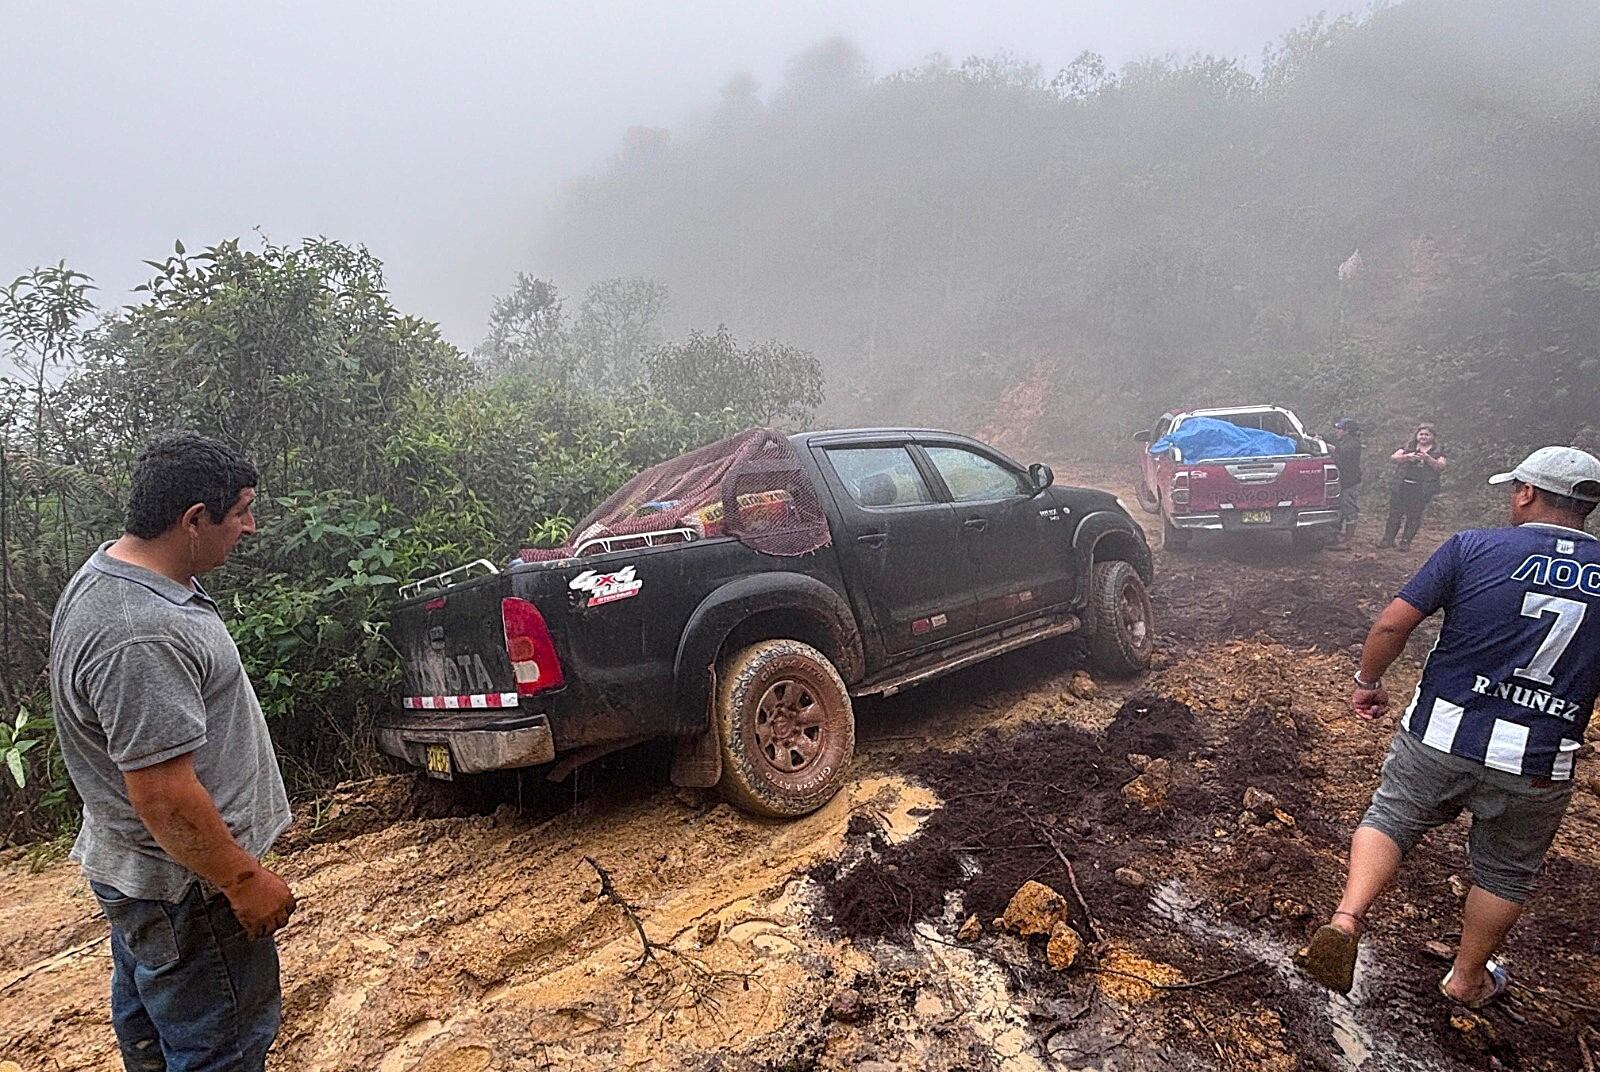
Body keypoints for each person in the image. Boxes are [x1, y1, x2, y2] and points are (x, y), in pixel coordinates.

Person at [1303, 445, 1600, 1006]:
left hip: (1442, 733)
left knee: (1392, 815)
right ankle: (1467, 980)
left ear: (1527, 493)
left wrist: (1368, 680)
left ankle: (1345, 920)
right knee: (1507, 872)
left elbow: (1394, 625)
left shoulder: (1473, 546)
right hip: (1538, 758)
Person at [50, 432, 294, 1071]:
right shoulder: (141, 633)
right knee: (221, 1048)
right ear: (193, 520)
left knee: (158, 1038)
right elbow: (163, 795)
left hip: (147, 878)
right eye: (240, 511)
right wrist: (243, 879)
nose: (250, 526)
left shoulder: (113, 574)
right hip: (193, 892)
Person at [1380, 423, 1447, 550]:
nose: (1423, 437)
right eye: (1421, 434)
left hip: (1421, 489)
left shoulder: (1438, 450)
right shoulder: (1408, 446)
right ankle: (1388, 540)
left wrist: (1427, 458)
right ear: (1416, 435)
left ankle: (1405, 542)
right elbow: (1393, 458)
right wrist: (1407, 457)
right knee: (1394, 514)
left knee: (1414, 516)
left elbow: (1441, 467)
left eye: (1427, 434)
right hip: (1401, 485)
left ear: (1433, 436)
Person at [1330, 418, 1363, 546]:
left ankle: (1347, 541)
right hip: (1343, 482)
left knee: (1350, 510)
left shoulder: (1353, 444)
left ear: (1347, 430)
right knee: (1341, 509)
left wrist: (1329, 448)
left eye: (1339, 429)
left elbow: (1341, 452)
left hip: (1350, 483)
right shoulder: (1343, 441)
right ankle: (1338, 535)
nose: (1336, 431)